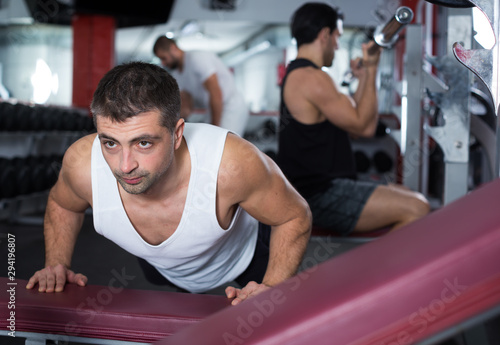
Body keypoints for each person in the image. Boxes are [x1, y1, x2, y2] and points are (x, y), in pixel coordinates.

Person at [26, 61, 312, 306]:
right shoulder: (82, 164)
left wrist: (273, 286)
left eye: (144, 143)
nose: (124, 166)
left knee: (280, 313)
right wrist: (56, 265)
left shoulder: (232, 164)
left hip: (239, 256)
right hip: (160, 268)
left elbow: (294, 215)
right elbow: (63, 204)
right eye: (111, 143)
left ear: (177, 134)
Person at [277, 3, 430, 236]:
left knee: (409, 194)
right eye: (337, 37)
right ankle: (381, 272)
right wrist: (372, 67)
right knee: (418, 207)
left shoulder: (304, 75)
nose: (337, 46)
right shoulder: (312, 78)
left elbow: (354, 124)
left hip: (324, 188)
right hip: (318, 195)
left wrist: (363, 76)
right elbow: (366, 127)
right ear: (325, 35)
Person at [153, 36, 249, 136]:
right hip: (212, 108)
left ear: (173, 48)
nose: (163, 63)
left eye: (164, 58)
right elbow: (186, 107)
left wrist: (215, 128)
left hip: (230, 106)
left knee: (222, 144)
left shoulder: (196, 59)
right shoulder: (177, 75)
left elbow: (216, 93)